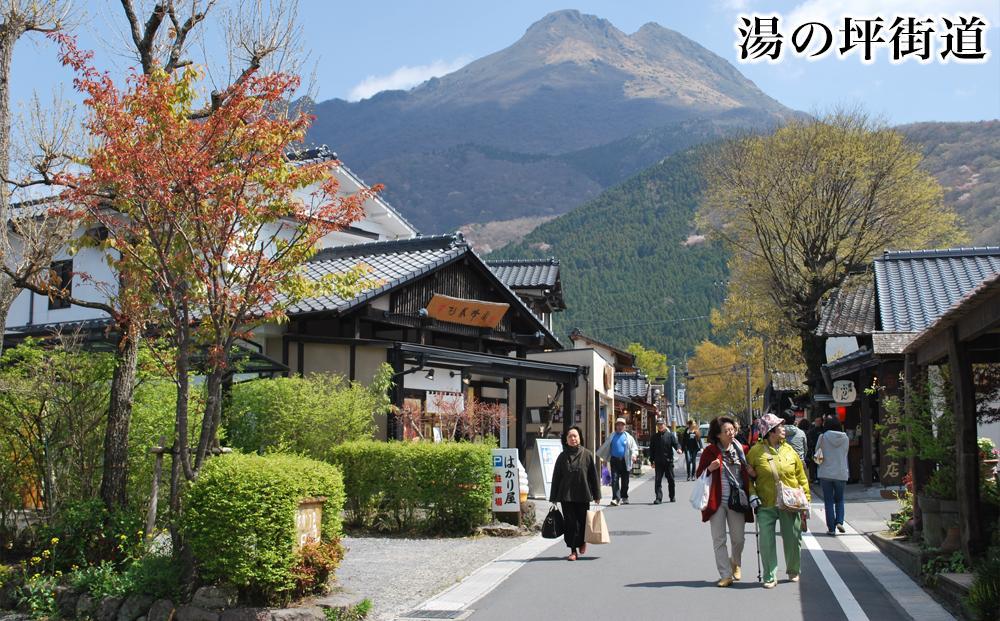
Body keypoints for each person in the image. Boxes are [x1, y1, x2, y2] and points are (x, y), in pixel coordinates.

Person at [747, 412, 811, 588]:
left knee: (792, 538)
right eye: (780, 427)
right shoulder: (755, 452)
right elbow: (748, 477)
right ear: (770, 431)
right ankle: (769, 575)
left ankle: (793, 570)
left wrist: (807, 499)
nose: (783, 429)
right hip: (765, 502)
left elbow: (801, 476)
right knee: (766, 541)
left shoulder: (789, 450)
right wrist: (752, 493)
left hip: (790, 502)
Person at [696, 416, 755, 587]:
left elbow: (752, 473)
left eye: (732, 430)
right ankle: (725, 574)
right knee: (719, 539)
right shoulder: (710, 452)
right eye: (726, 431)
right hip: (716, 501)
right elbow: (699, 474)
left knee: (739, 539)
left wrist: (752, 473)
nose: (731, 433)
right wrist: (709, 468)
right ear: (718, 435)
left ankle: (735, 561)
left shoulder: (743, 449)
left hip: (737, 500)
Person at [549, 426, 601, 561]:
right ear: (566, 440)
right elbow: (556, 477)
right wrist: (553, 497)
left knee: (583, 521)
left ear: (580, 438)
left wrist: (597, 495)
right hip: (566, 495)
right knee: (570, 523)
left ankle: (582, 541)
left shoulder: (587, 454)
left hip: (583, 493)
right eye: (570, 436)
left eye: (575, 436)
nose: (573, 438)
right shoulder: (562, 456)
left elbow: (593, 477)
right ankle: (573, 550)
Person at [816, 417, 849, 535]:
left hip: (826, 472)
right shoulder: (845, 438)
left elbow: (817, 453)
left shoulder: (823, 437)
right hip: (840, 472)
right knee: (839, 499)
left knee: (829, 501)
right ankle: (839, 521)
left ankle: (831, 528)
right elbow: (845, 453)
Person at [597, 417, 639, 505]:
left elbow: (634, 448)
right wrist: (605, 459)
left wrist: (634, 455)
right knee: (614, 480)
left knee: (625, 481)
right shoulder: (612, 436)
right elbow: (606, 448)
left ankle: (624, 496)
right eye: (618, 425)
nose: (620, 427)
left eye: (622, 425)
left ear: (624, 426)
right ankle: (616, 498)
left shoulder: (628, 437)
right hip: (614, 460)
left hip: (625, 460)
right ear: (616, 426)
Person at [649, 418, 681, 503]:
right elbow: (651, 450)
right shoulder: (654, 437)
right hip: (658, 462)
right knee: (658, 480)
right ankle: (658, 498)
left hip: (668, 461)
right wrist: (651, 461)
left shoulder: (670, 435)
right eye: (658, 424)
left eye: (661, 424)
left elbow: (676, 444)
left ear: (665, 425)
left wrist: (678, 449)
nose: (660, 426)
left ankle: (672, 496)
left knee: (671, 479)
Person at [806, 415, 825, 483]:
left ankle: (820, 477)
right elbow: (810, 439)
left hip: (823, 449)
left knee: (822, 464)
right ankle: (816, 477)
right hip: (815, 449)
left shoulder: (824, 430)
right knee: (816, 464)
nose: (817, 422)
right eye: (816, 421)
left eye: (819, 421)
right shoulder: (812, 431)